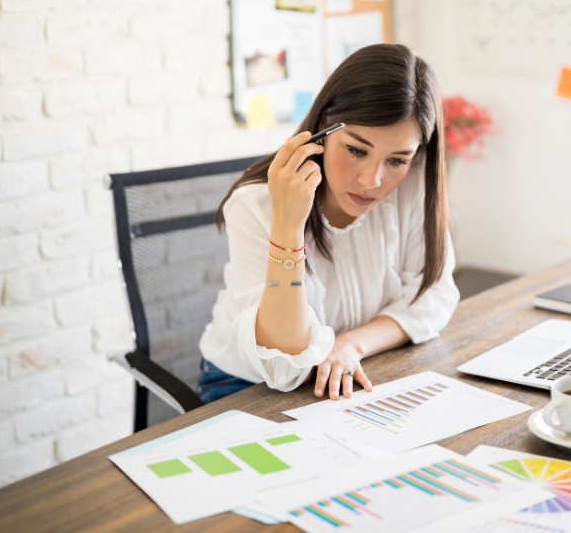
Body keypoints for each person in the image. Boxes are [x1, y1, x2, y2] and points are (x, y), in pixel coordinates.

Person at [197, 43, 460, 404]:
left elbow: (434, 295)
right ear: (322, 127)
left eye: (397, 160)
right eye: (356, 150)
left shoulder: (413, 183)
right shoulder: (255, 205)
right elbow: (284, 367)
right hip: (248, 389)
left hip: (355, 370)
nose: (372, 180)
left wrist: (351, 344)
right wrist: (288, 225)